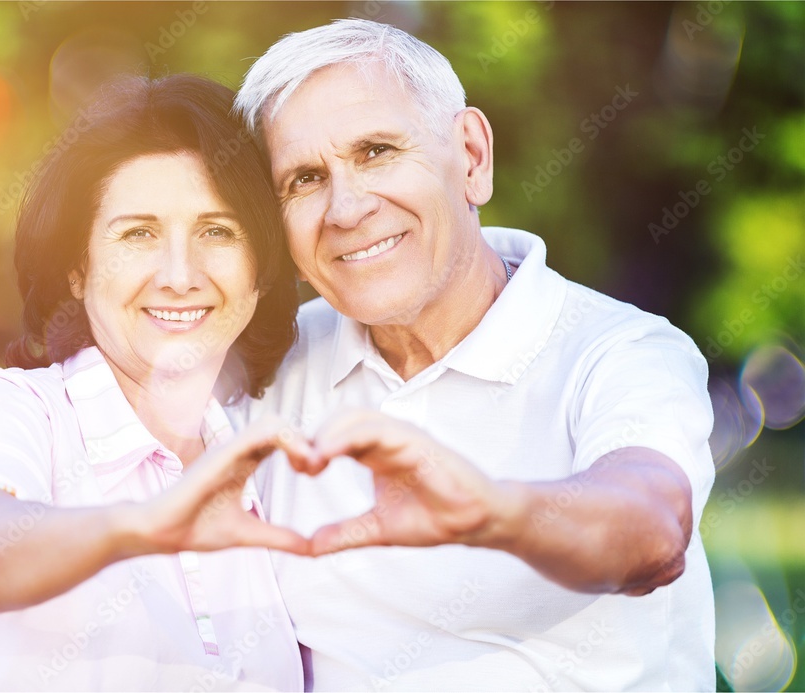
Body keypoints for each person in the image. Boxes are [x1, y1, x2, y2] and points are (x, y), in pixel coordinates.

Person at [232, 18, 716, 690]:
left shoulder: (619, 351)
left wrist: (490, 511)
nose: (346, 208)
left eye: (376, 151)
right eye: (305, 178)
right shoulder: (269, 364)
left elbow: (652, 529)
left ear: (471, 156)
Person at [0, 74, 312, 691]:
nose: (180, 276)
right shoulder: (10, 411)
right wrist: (148, 522)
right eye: (138, 234)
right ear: (78, 268)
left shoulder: (263, 471)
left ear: (260, 268)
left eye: (218, 231)